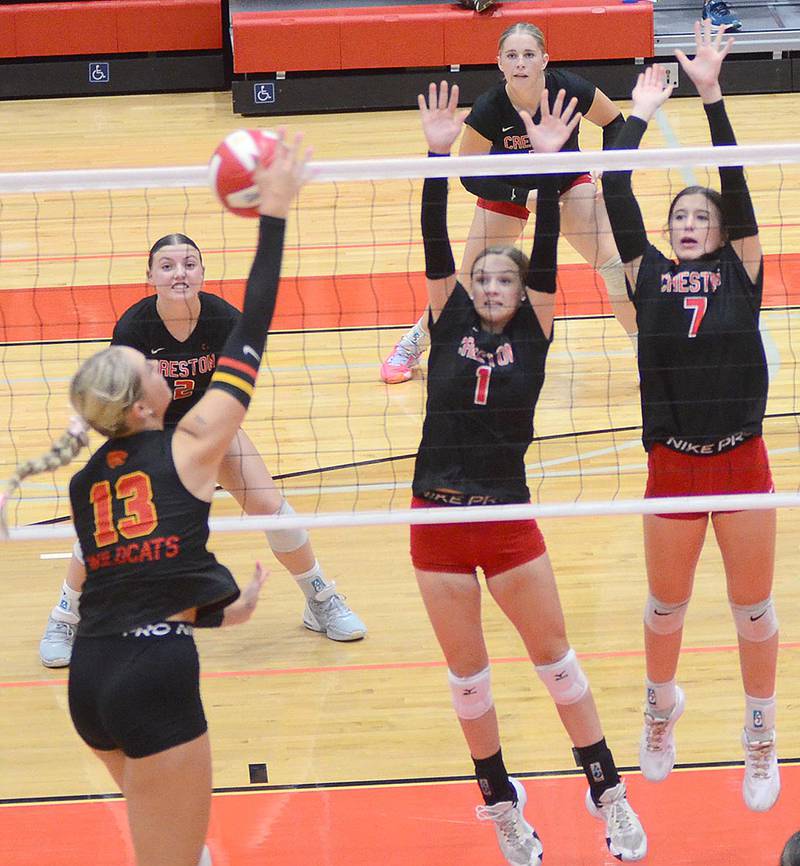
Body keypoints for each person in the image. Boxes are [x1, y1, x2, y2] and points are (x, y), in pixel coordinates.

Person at [0, 133, 308, 866]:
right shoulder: (193, 442)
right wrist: (275, 215)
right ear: (142, 403)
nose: (152, 359)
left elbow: (142, 568)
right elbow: (256, 323)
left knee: (179, 851)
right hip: (152, 677)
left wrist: (214, 608)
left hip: (91, 681)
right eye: (144, 366)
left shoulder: (86, 479)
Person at [409, 80, 647, 864]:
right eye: (484, 279)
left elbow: (547, 241)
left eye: (504, 280)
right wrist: (438, 156)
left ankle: (606, 792)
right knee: (468, 682)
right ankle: (502, 805)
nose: (490, 286)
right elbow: (436, 235)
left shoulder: (539, 329)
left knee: (559, 666)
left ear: (524, 292)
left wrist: (550, 168)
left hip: (508, 520)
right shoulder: (446, 326)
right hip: (435, 521)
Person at [39, 228, 366, 667]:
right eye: (168, 266)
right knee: (108, 518)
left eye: (189, 264)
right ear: (150, 276)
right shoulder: (133, 327)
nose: (180, 273)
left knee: (270, 505)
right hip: (146, 435)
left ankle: (319, 596)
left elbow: (233, 393)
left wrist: (208, 438)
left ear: (203, 273)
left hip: (208, 430)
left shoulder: (222, 318)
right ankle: (66, 615)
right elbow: (124, 401)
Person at [601, 21, 779, 811]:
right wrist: (637, 111)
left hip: (741, 457)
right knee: (664, 606)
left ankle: (760, 733)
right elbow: (612, 185)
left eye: (700, 217)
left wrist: (711, 93)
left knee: (753, 610)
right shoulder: (648, 277)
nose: (688, 223)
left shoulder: (744, 270)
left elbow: (735, 180)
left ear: (721, 231)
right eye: (679, 217)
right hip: (673, 460)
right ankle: (659, 708)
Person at [380, 21, 637, 384]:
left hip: (564, 183)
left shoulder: (571, 88)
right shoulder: (489, 107)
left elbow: (615, 122)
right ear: (499, 62)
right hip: (508, 189)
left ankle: (648, 353)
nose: (521, 63)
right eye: (512, 55)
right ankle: (411, 344)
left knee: (614, 268)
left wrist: (608, 171)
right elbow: (469, 174)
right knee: (468, 284)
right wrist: (521, 197)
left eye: (529, 55)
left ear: (544, 60)